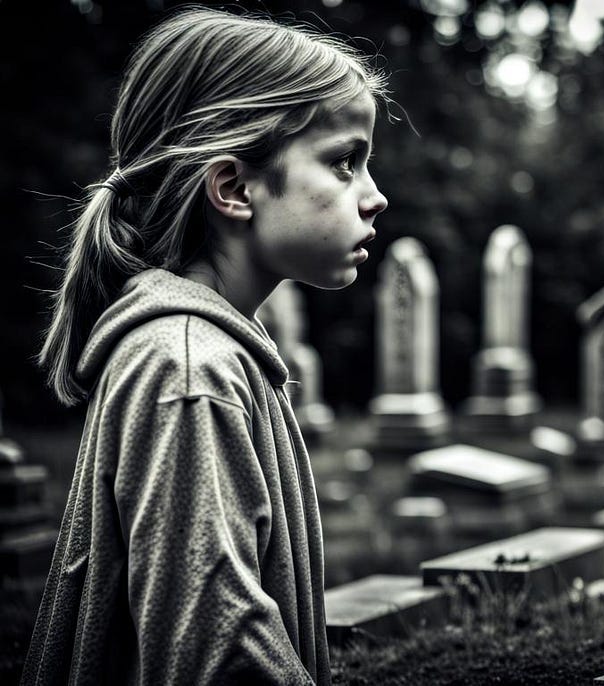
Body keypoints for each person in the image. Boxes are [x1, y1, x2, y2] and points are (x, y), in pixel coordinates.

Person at [24, 7, 389, 685]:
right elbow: (219, 652)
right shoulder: (190, 370)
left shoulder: (210, 351)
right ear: (233, 188)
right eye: (346, 164)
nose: (376, 198)